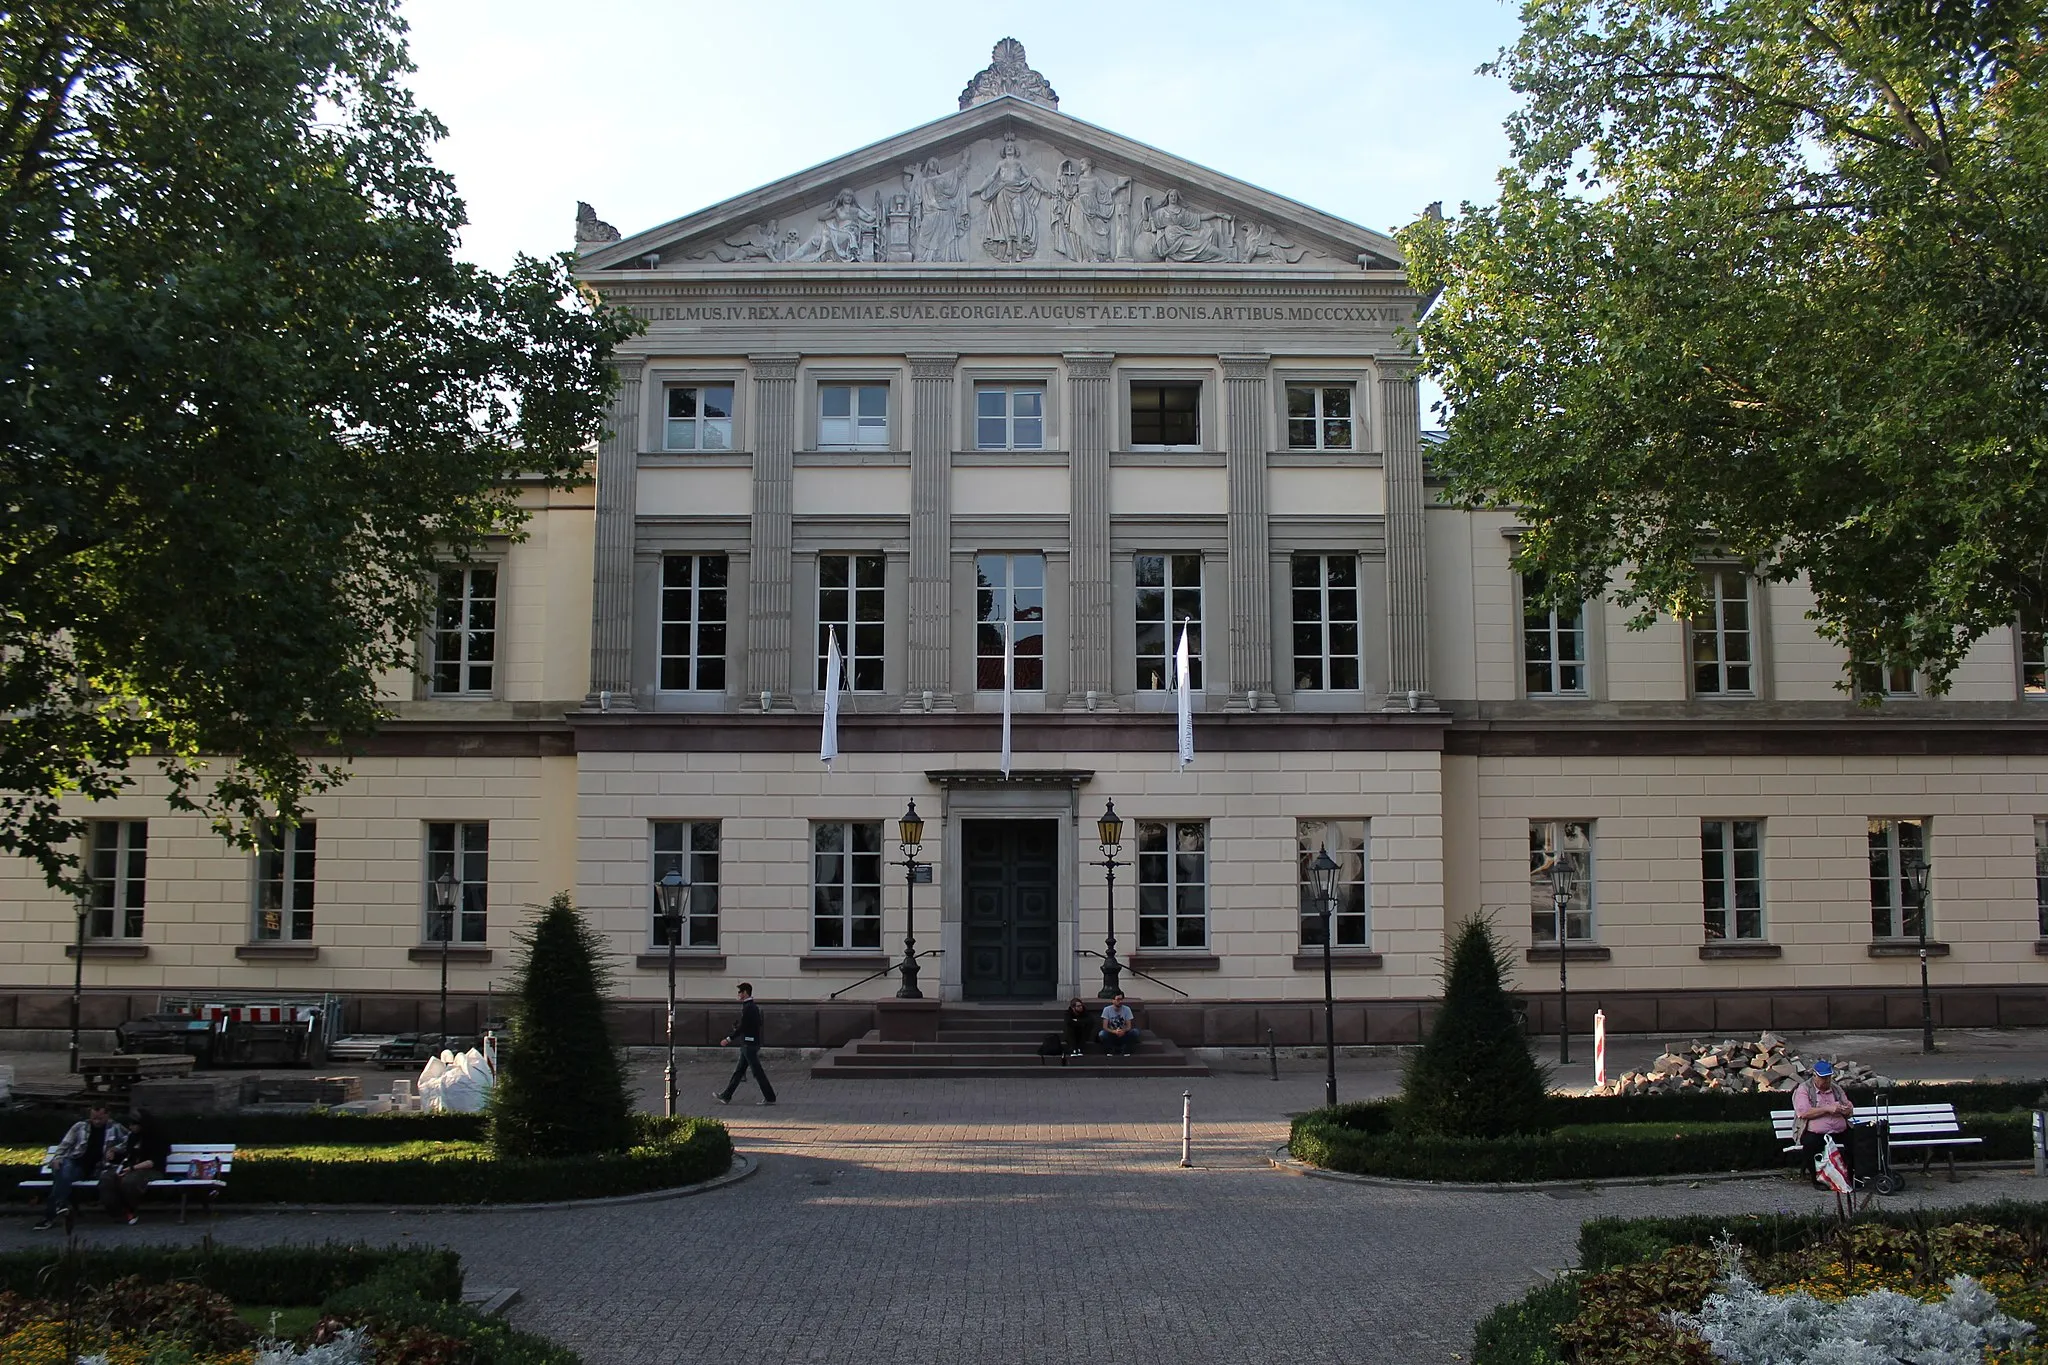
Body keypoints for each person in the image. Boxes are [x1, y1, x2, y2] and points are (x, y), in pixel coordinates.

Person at [35, 1103, 125, 1230]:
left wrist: (115, 1149)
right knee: (63, 1170)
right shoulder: (79, 1127)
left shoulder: (116, 1127)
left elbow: (129, 1142)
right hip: (75, 1162)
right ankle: (58, 1206)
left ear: (107, 1115)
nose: (97, 1121)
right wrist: (57, 1158)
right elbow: (65, 1145)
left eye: (100, 1118)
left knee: (62, 1176)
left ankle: (53, 1213)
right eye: (94, 1118)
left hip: (97, 1168)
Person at [101, 1110, 170, 1226]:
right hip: (130, 1169)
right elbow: (128, 1156)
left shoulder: (158, 1137)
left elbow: (153, 1162)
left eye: (133, 1124)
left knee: (130, 1181)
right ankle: (117, 1211)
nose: (130, 1127)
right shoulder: (133, 1137)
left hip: (151, 1170)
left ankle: (131, 1209)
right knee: (106, 1179)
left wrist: (132, 1168)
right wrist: (113, 1157)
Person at [1793, 1059, 1855, 1187]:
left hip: (1839, 1130)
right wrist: (1827, 1109)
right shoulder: (1804, 1089)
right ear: (1814, 1076)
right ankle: (1816, 1179)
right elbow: (1803, 1113)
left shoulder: (1836, 1089)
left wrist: (1847, 1110)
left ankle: (1852, 1175)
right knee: (1811, 1143)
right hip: (1814, 1132)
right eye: (1823, 1078)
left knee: (1856, 1140)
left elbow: (1848, 1106)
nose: (1826, 1081)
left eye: (1828, 1078)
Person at [715, 982, 778, 1106]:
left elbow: (745, 1026)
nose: (738, 994)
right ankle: (726, 1096)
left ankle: (770, 1097)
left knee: (757, 1072)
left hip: (749, 1044)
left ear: (745, 993)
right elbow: (756, 1024)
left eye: (740, 992)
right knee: (739, 1072)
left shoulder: (749, 1007)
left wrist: (728, 1038)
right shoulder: (752, 1007)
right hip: (749, 1043)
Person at [1098, 993, 1140, 1058]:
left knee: (1135, 1032)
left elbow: (1129, 1026)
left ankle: (1126, 1049)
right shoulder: (1107, 1009)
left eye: (1121, 999)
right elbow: (1105, 1027)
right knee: (1102, 1034)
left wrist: (1123, 1031)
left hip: (1123, 1034)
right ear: (1113, 1000)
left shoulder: (1127, 1009)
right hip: (1112, 1033)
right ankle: (1110, 1050)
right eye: (1118, 999)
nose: (1120, 1001)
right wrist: (1114, 1032)